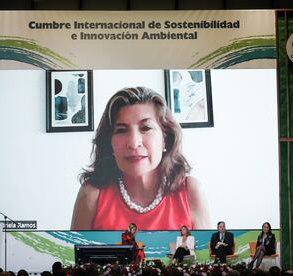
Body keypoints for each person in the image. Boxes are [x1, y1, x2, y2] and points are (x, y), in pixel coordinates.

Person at [71, 86, 210, 230]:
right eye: (121, 130)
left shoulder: (191, 191)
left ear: (165, 139)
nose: (133, 143)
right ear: (109, 142)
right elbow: (75, 252)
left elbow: (205, 252)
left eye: (146, 128)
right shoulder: (92, 194)